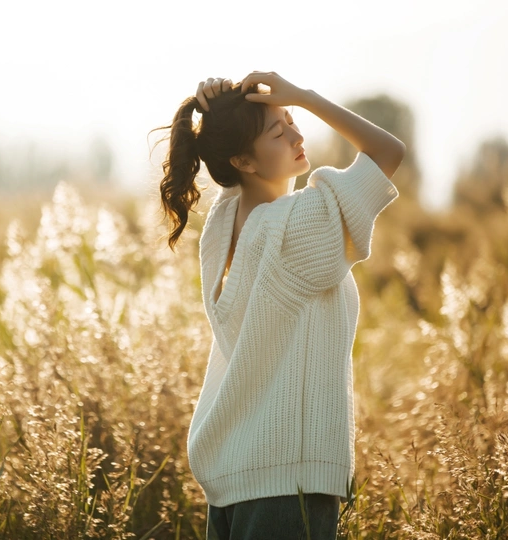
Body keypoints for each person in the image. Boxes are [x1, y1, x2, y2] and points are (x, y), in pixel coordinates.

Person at [151, 72, 406, 539]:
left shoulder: (226, 223)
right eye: (279, 130)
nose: (297, 134)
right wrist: (304, 97)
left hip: (232, 474)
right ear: (243, 159)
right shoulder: (294, 226)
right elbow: (388, 152)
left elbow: (238, 174)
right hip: (287, 483)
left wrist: (217, 107)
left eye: (292, 120)